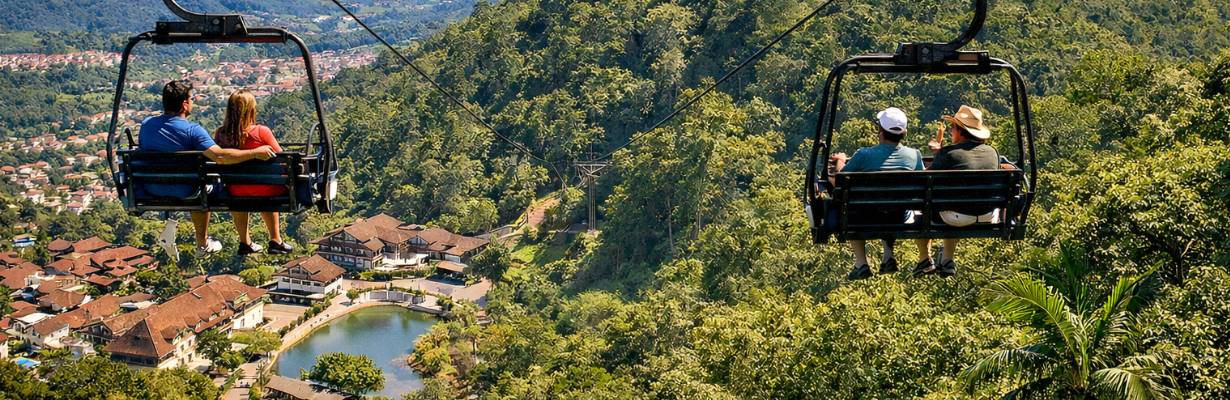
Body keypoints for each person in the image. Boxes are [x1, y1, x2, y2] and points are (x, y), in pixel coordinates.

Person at [138, 80, 276, 256]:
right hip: (188, 190)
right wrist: (254, 153)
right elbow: (220, 156)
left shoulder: (146, 125)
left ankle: (210, 243)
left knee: (200, 182)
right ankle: (202, 243)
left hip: (152, 188)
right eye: (192, 99)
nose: (193, 102)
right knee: (208, 186)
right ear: (185, 104)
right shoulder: (192, 130)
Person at [830, 107, 925, 280]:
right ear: (904, 133)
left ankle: (861, 263)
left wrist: (841, 160)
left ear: (880, 131)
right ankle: (888, 255)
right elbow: (923, 183)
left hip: (866, 217)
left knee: (851, 209)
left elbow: (839, 180)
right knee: (892, 204)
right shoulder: (914, 155)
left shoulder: (864, 155)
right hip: (899, 217)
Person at [915, 105, 1001, 277]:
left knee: (928, 203)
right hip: (987, 215)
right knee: (958, 199)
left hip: (956, 216)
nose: (950, 131)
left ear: (961, 131)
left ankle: (924, 257)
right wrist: (941, 152)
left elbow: (923, 180)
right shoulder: (992, 152)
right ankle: (947, 258)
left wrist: (939, 153)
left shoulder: (949, 154)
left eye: (953, 127)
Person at [213, 89, 295, 255]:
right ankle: (275, 239)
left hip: (235, 190)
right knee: (267, 186)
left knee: (238, 196)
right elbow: (282, 159)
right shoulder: (261, 132)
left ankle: (244, 241)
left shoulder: (221, 134)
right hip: (266, 189)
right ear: (251, 110)